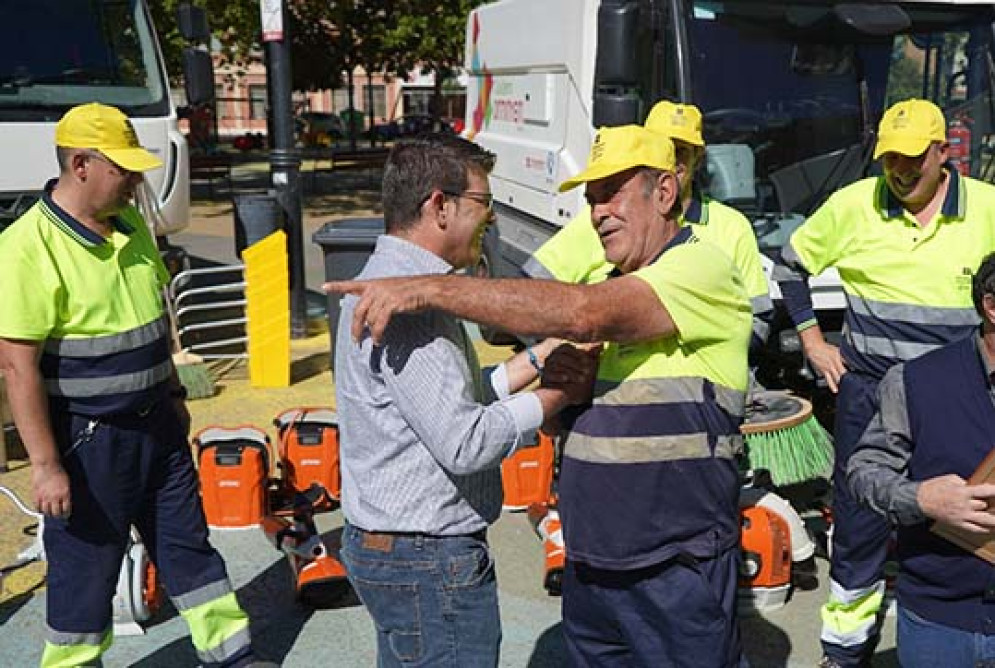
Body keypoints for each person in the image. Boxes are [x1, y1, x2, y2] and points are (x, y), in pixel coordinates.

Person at [327, 125, 753, 666]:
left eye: (612, 192)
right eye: (592, 198)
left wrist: (430, 288)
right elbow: (480, 423)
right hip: (595, 570)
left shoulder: (697, 269)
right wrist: (548, 380)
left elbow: (582, 312)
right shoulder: (603, 281)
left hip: (673, 567)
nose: (598, 212)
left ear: (665, 193)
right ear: (438, 207)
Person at [0, 103, 255, 668]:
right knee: (86, 574)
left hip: (158, 428)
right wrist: (45, 466)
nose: (136, 180)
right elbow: (17, 368)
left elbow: (154, 324)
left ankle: (232, 656)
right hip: (89, 442)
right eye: (124, 169)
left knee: (189, 551)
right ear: (82, 164)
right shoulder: (25, 247)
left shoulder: (131, 223)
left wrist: (174, 397)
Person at [333, 134, 597, 668]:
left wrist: (536, 360)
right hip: (427, 559)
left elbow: (444, 403)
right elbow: (465, 442)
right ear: (439, 206)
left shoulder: (388, 284)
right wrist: (557, 396)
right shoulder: (410, 308)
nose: (491, 220)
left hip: (399, 552)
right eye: (484, 204)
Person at [773, 98, 995, 667]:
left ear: (944, 153)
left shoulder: (989, 209)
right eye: (889, 159)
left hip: (962, 397)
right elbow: (790, 265)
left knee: (966, 517)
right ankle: (845, 653)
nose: (898, 172)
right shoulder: (853, 204)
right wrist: (814, 342)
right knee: (861, 522)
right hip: (872, 394)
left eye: (912, 160)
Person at [524, 100, 773, 349]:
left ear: (698, 159)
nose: (670, 160)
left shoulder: (732, 226)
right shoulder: (604, 220)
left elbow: (759, 320)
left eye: (680, 151)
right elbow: (534, 290)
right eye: (661, 148)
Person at [847, 252, 995, 668]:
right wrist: (921, 499)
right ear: (991, 306)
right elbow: (863, 472)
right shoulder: (914, 381)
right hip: (939, 623)